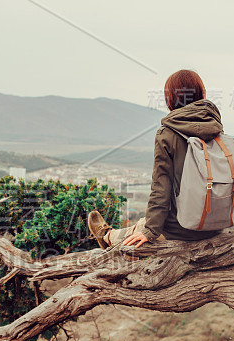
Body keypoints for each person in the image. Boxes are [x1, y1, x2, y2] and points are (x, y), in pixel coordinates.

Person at [88, 69, 225, 249]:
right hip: (216, 225)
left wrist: (150, 231)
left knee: (142, 226)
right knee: (148, 222)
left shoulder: (167, 134)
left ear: (171, 98)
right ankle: (112, 234)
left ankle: (107, 237)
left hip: (183, 228)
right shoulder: (216, 130)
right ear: (201, 93)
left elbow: (161, 188)